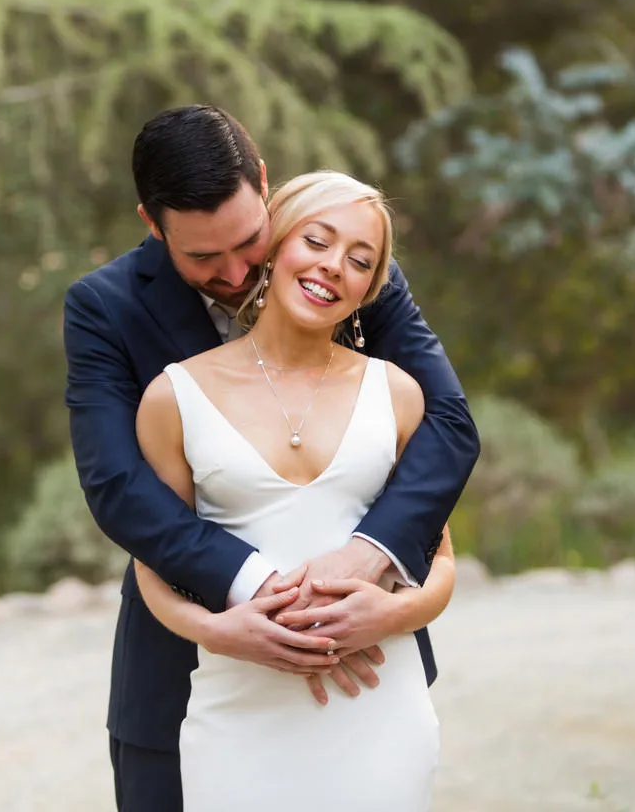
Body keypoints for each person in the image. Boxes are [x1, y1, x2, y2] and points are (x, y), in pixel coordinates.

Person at [63, 106, 480, 810]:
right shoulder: (104, 309)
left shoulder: (348, 267)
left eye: (249, 241)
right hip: (186, 670)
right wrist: (257, 589)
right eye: (201, 257)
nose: (232, 272)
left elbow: (448, 423)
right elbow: (118, 487)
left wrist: (366, 558)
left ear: (264, 185)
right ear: (151, 222)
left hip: (365, 668)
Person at [136, 169, 446, 810]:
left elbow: (440, 562)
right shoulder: (174, 396)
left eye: (360, 260)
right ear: (273, 247)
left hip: (379, 709)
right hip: (239, 713)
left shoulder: (399, 394)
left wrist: (390, 614)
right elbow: (153, 569)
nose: (335, 267)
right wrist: (225, 633)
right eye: (318, 241)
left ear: (369, 288)